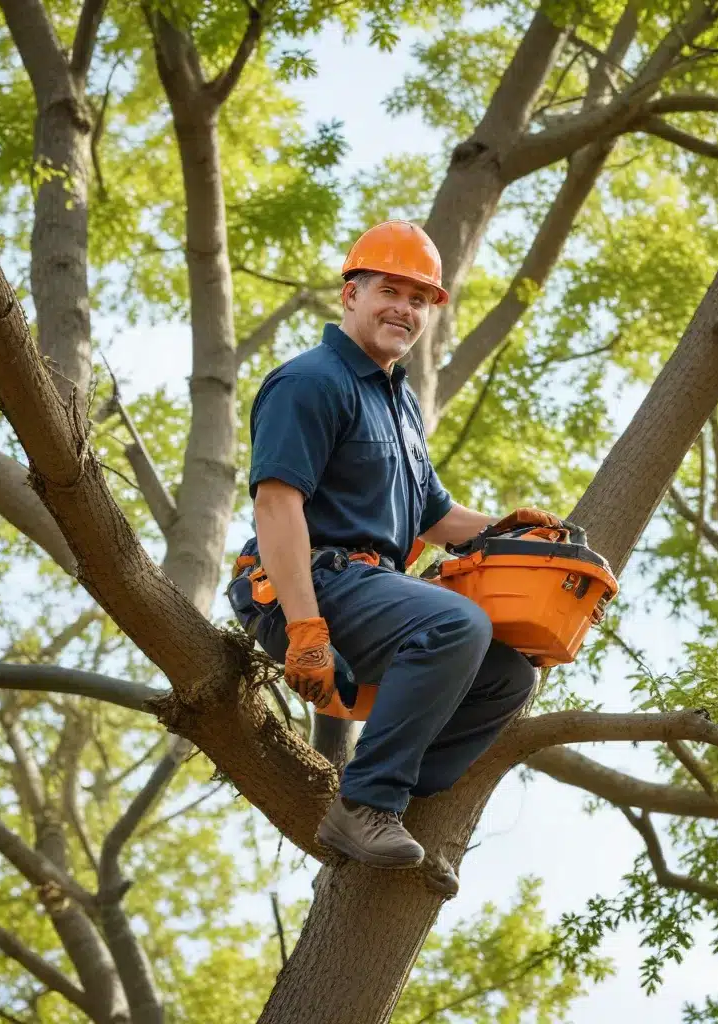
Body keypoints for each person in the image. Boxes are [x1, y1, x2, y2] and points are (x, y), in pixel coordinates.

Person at [228, 220, 564, 889]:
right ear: (350, 294)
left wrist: (504, 531)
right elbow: (276, 507)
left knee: (509, 678)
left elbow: (435, 517)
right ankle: (365, 801)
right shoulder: (310, 381)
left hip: (373, 593)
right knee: (455, 622)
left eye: (419, 300)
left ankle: (403, 805)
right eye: (391, 290)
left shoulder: (399, 402)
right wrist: (305, 630)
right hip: (304, 586)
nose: (405, 309)